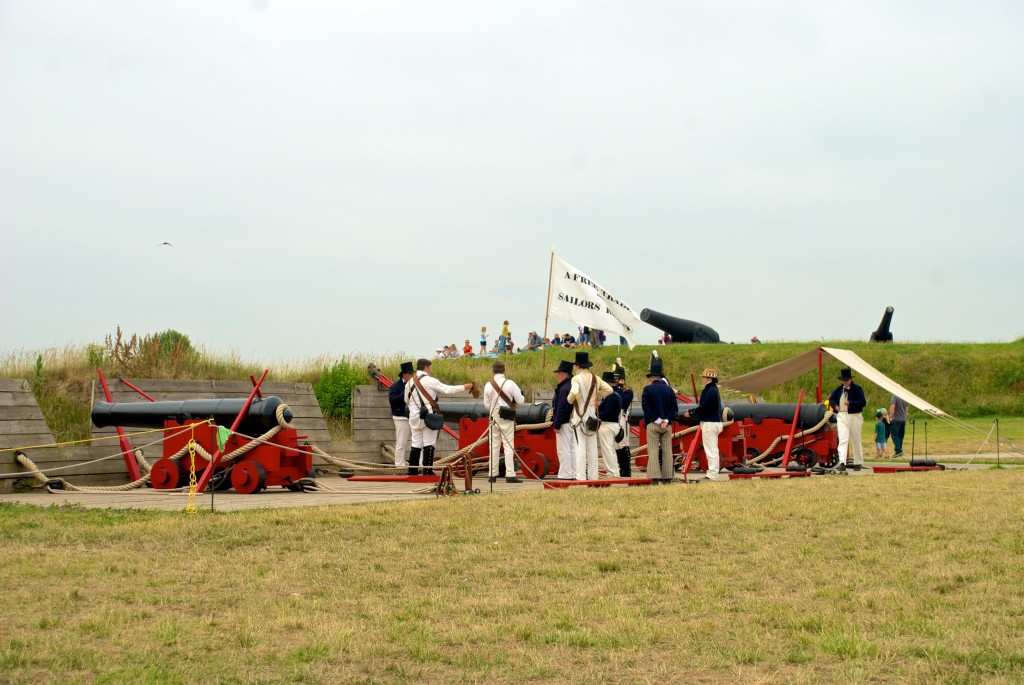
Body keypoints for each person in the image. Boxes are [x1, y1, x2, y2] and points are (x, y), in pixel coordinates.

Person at [405, 358, 475, 476]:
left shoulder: (409, 382)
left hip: (414, 416)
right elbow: (448, 390)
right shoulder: (430, 380)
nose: (431, 370)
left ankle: (412, 472)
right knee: (429, 443)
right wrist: (466, 386)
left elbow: (406, 400)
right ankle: (427, 472)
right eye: (430, 368)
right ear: (426, 368)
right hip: (428, 416)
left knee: (416, 444)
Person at [567, 351, 613, 480]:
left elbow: (574, 392)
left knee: (579, 445)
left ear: (577, 366)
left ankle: (580, 476)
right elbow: (609, 390)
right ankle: (594, 476)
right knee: (592, 447)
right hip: (592, 412)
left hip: (579, 413)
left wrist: (569, 400)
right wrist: (596, 397)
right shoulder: (596, 378)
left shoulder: (575, 378)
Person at [483, 361, 525, 483]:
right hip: (507, 416)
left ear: (492, 370)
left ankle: (492, 473)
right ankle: (510, 474)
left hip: (493, 416)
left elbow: (486, 405)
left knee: (494, 445)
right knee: (508, 445)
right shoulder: (510, 383)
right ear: (504, 370)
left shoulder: (488, 385)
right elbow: (520, 400)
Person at [641, 356, 676, 483]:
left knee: (653, 450)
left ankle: (654, 477)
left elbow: (646, 407)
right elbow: (674, 408)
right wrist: (666, 420)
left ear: (651, 377)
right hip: (667, 425)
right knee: (667, 450)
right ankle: (667, 477)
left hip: (652, 423)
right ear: (660, 377)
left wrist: (657, 420)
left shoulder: (647, 389)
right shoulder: (669, 390)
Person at [686, 368, 724, 481]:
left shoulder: (711, 391)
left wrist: (692, 412)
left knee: (710, 449)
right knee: (712, 448)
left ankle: (712, 474)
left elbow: (705, 406)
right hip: (713, 422)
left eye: (704, 377)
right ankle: (713, 472)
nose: (702, 379)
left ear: (709, 378)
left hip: (710, 423)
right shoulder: (712, 390)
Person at [828, 368, 867, 470]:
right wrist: (835, 406)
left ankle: (858, 462)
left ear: (850, 379)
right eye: (844, 380)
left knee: (856, 439)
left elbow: (863, 402)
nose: (845, 382)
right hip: (842, 415)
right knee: (843, 439)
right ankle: (842, 462)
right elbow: (831, 399)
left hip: (854, 415)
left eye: (847, 380)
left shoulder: (857, 389)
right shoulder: (838, 390)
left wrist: (851, 403)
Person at [551, 360, 577, 479]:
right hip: (570, 421)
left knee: (563, 449)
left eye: (560, 373)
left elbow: (562, 407)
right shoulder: (569, 386)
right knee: (571, 449)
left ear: (565, 374)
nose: (558, 375)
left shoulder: (564, 389)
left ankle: (565, 473)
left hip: (564, 422)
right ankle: (573, 472)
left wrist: (557, 424)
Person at [596, 371, 623, 478]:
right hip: (614, 424)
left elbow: (607, 413)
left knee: (607, 450)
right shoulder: (617, 395)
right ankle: (615, 471)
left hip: (607, 425)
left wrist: (596, 413)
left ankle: (612, 472)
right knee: (611, 450)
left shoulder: (611, 396)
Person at [388, 361, 414, 473]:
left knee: (418, 442)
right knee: (401, 442)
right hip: (401, 417)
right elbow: (392, 400)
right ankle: (399, 466)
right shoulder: (395, 386)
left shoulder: (414, 385)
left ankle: (418, 464)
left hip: (413, 416)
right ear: (404, 375)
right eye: (410, 373)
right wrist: (405, 392)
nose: (412, 376)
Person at [611, 362, 634, 477]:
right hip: (612, 418)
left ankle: (626, 470)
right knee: (614, 446)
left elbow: (622, 403)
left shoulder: (628, 392)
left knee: (623, 444)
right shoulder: (611, 390)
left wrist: (619, 388)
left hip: (622, 418)